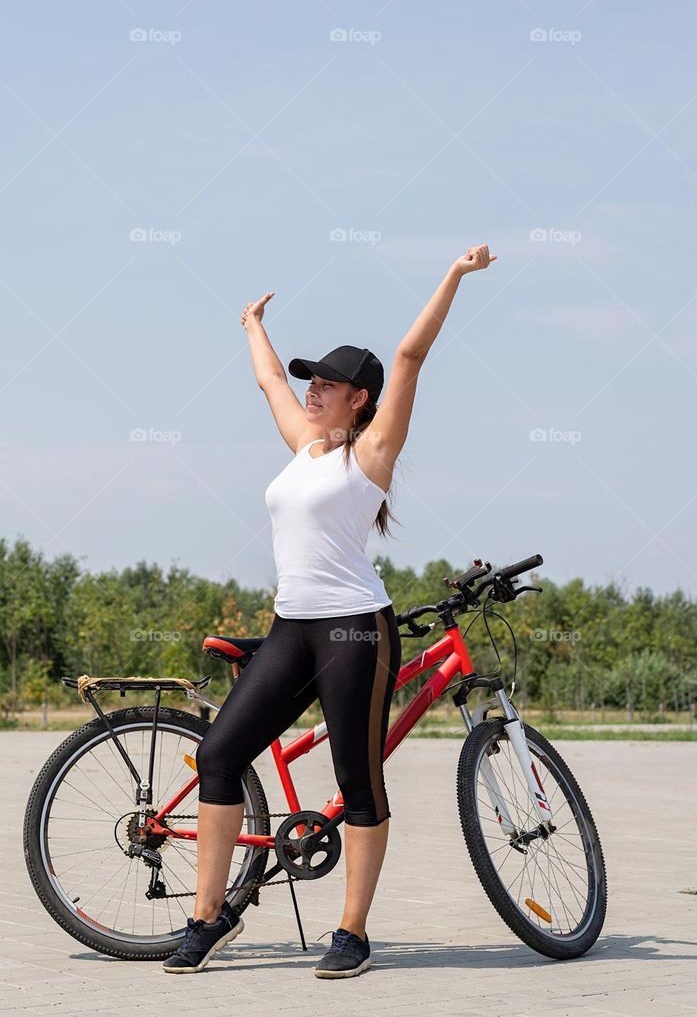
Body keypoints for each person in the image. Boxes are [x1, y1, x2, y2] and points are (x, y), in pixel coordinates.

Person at [162, 244, 497, 977]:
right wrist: (252, 323)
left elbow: (409, 355)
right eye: (311, 379)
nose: (311, 389)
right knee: (219, 754)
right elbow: (265, 383)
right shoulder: (306, 446)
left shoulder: (370, 454)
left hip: (353, 630)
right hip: (294, 627)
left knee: (357, 777)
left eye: (329, 383)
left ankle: (351, 933)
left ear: (361, 400)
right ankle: (206, 918)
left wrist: (454, 274)